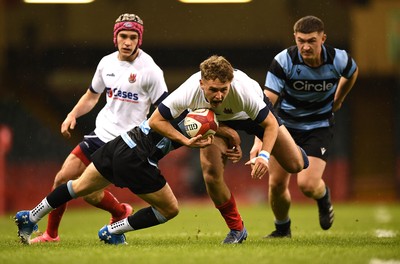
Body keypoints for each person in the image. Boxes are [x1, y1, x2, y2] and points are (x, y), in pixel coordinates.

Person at [30, 13, 169, 243]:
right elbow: (91, 96)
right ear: (115, 37)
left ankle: (120, 213)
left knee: (89, 193)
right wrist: (72, 114)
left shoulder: (150, 70)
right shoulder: (106, 63)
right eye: (123, 36)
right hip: (100, 134)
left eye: (133, 37)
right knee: (62, 179)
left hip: (125, 144)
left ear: (139, 39)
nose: (127, 41)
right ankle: (51, 235)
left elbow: (164, 109)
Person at [149, 55, 309, 244]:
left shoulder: (243, 92)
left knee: (295, 164)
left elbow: (270, 125)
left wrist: (264, 155)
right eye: (213, 90)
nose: (219, 96)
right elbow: (155, 121)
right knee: (210, 174)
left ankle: (295, 149)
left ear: (231, 83)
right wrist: (186, 140)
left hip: (249, 117)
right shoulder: (188, 89)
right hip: (214, 122)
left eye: (224, 90)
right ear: (201, 84)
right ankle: (237, 229)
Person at [14, 117, 216, 245]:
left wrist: (226, 132)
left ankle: (30, 216)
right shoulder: (179, 98)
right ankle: (112, 231)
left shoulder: (183, 98)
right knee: (170, 209)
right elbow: (160, 118)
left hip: (120, 142)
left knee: (79, 187)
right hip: (138, 154)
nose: (218, 95)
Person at [252, 15, 358, 238]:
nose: (306, 46)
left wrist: (339, 97)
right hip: (285, 127)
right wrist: (258, 140)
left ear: (323, 38)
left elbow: (352, 72)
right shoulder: (283, 61)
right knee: (277, 184)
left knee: (307, 184)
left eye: (311, 40)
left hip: (318, 126)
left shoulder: (338, 59)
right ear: (295, 38)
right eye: (301, 40)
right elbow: (266, 103)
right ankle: (282, 230)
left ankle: (323, 197)